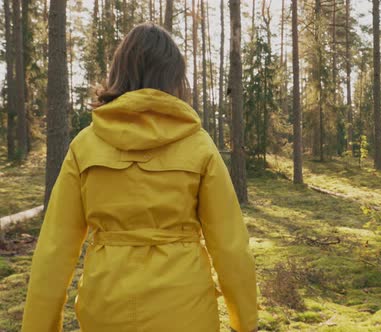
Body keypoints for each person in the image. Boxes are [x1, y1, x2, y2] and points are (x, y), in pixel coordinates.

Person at [21, 23, 258, 332]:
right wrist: (246, 322)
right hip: (185, 312)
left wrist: (37, 326)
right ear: (174, 78)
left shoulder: (85, 145)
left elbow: (55, 248)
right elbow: (230, 245)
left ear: (120, 73)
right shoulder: (198, 144)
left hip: (106, 310)